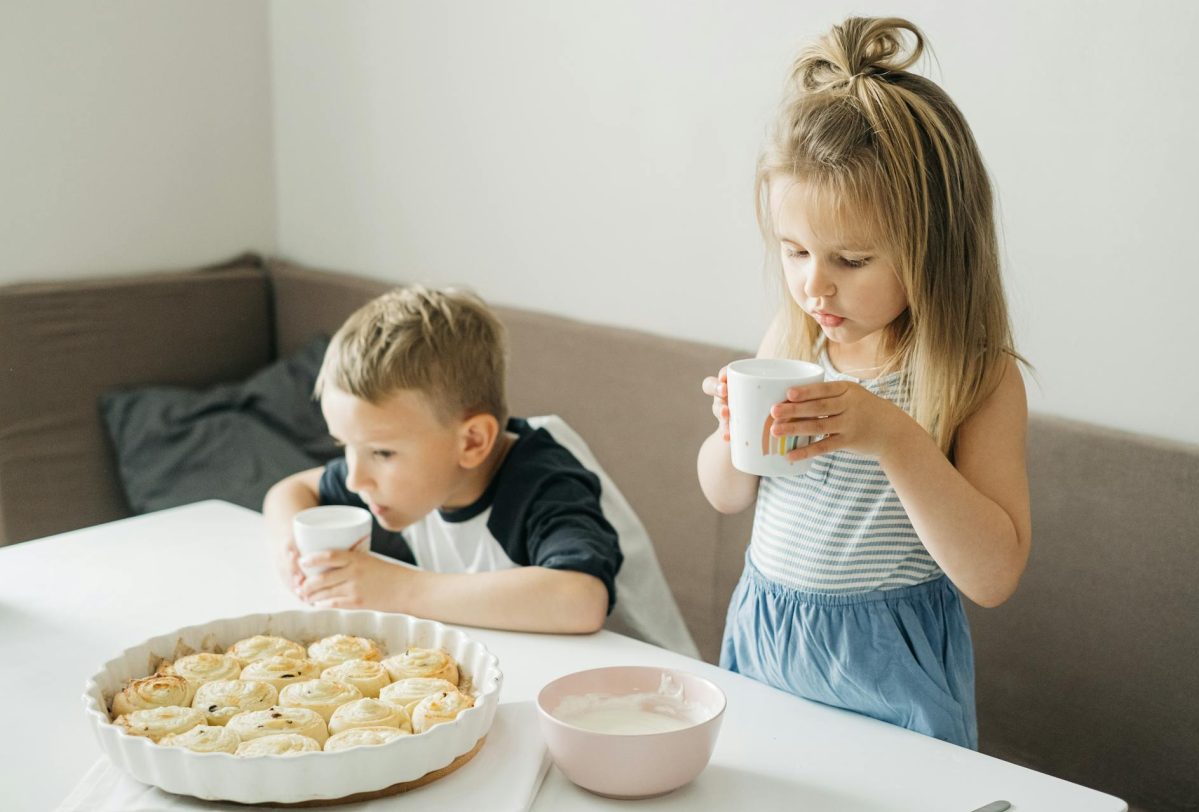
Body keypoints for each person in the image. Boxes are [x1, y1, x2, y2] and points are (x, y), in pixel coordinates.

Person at [697, 16, 1031, 749]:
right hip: (769, 641)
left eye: (850, 261)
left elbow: (995, 573)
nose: (814, 284)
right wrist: (729, 432)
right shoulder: (792, 342)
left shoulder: (976, 375)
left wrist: (891, 435)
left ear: (933, 250)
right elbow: (725, 494)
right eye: (794, 250)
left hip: (891, 668)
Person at [263, 285, 622, 634]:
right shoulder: (415, 472)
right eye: (345, 446)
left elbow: (581, 600)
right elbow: (290, 490)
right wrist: (289, 545)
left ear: (472, 442)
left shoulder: (547, 483)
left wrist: (398, 589)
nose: (356, 480)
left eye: (382, 453)